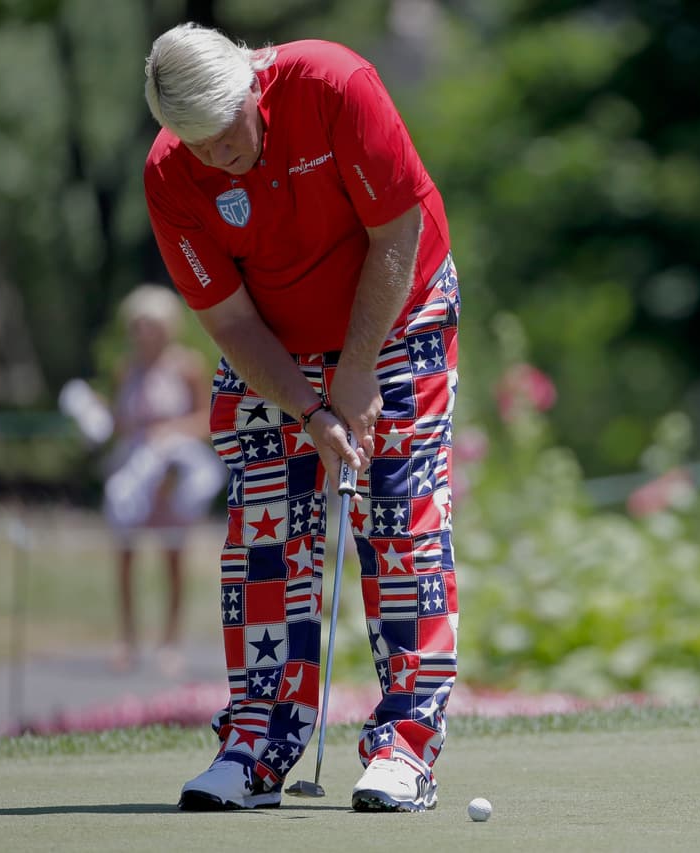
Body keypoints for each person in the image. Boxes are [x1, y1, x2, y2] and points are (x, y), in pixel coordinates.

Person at [142, 23, 460, 813]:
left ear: (254, 84)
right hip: (275, 343)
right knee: (264, 536)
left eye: (227, 133)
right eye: (197, 143)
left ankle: (404, 749)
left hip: (399, 312)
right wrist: (312, 408)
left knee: (398, 514)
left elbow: (397, 233)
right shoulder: (171, 174)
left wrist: (354, 374)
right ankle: (255, 745)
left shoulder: (335, 85)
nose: (217, 158)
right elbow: (232, 326)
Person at [102, 284, 225, 676]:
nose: (142, 332)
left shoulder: (186, 366)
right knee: (124, 557)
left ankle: (170, 642)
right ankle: (128, 640)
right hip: (136, 471)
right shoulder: (127, 369)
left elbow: (207, 419)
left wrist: (168, 433)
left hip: (172, 473)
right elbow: (119, 422)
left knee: (172, 559)